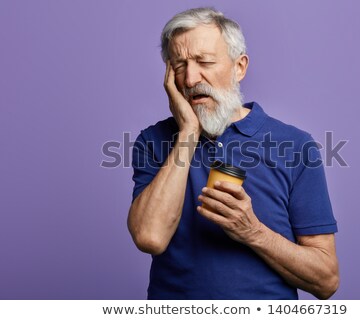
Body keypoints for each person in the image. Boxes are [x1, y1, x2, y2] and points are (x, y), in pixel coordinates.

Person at [128, 7, 339, 300]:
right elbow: (150, 237)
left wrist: (253, 232)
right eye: (178, 65)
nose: (190, 79)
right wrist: (189, 133)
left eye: (205, 61)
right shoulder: (152, 141)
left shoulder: (297, 146)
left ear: (239, 67)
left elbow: (326, 280)